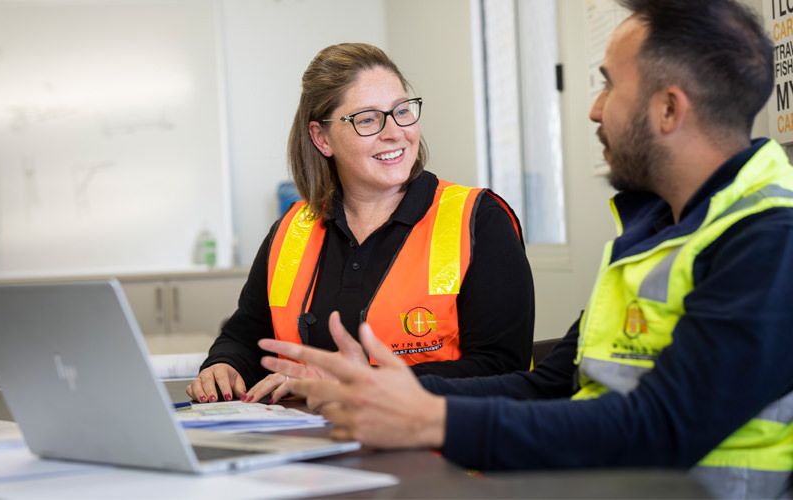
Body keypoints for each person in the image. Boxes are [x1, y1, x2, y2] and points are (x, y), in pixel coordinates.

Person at [257, 1, 793, 498]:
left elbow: (661, 427)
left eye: (607, 86)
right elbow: (551, 385)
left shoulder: (770, 240)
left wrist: (431, 419)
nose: (594, 110)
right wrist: (391, 392)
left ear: (669, 110)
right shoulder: (653, 234)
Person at [187, 43, 534, 405]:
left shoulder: (480, 219)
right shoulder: (293, 228)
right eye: (368, 119)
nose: (395, 132)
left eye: (402, 111)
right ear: (322, 138)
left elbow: (501, 367)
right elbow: (245, 337)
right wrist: (224, 365)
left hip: (442, 450)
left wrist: (349, 382)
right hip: (306, 444)